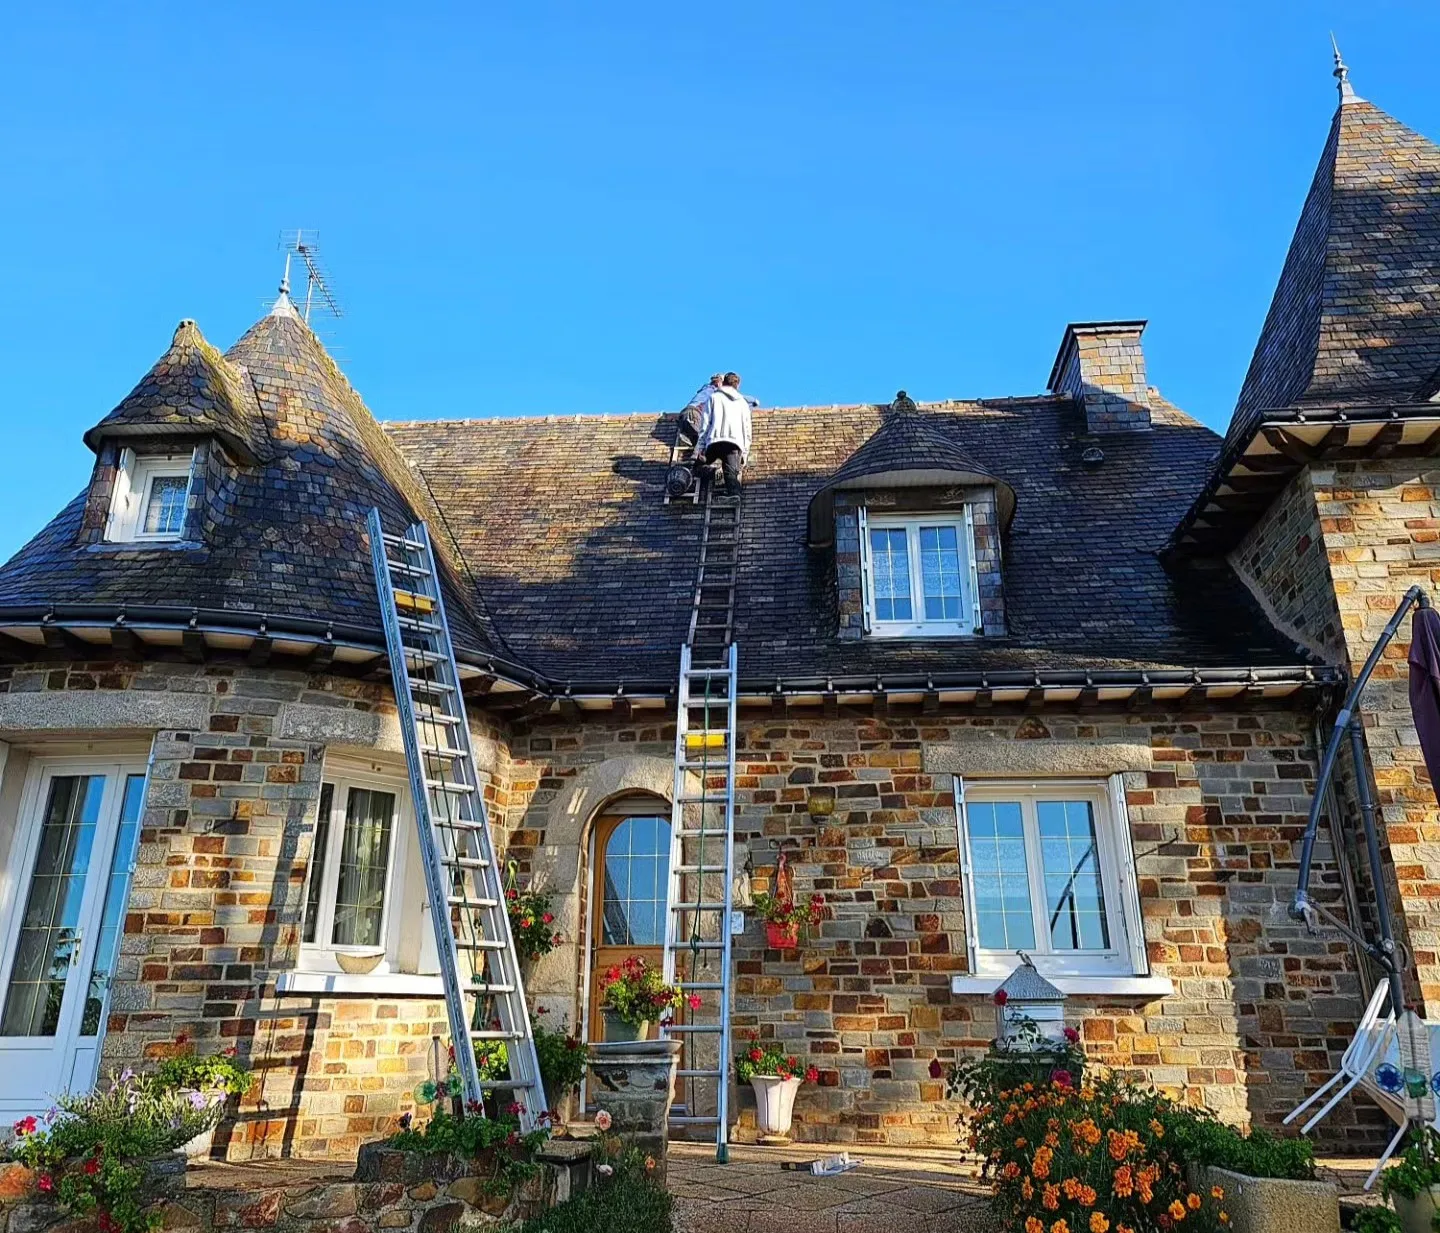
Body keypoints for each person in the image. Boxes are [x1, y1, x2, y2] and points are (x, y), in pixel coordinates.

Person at [686, 371, 755, 497]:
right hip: (734, 444)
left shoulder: (714, 397)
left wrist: (699, 448)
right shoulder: (743, 403)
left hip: (714, 441)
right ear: (737, 385)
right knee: (731, 474)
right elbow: (747, 431)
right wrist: (744, 454)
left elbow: (705, 424)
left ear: (723, 383)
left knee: (698, 465)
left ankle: (709, 470)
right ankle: (734, 496)